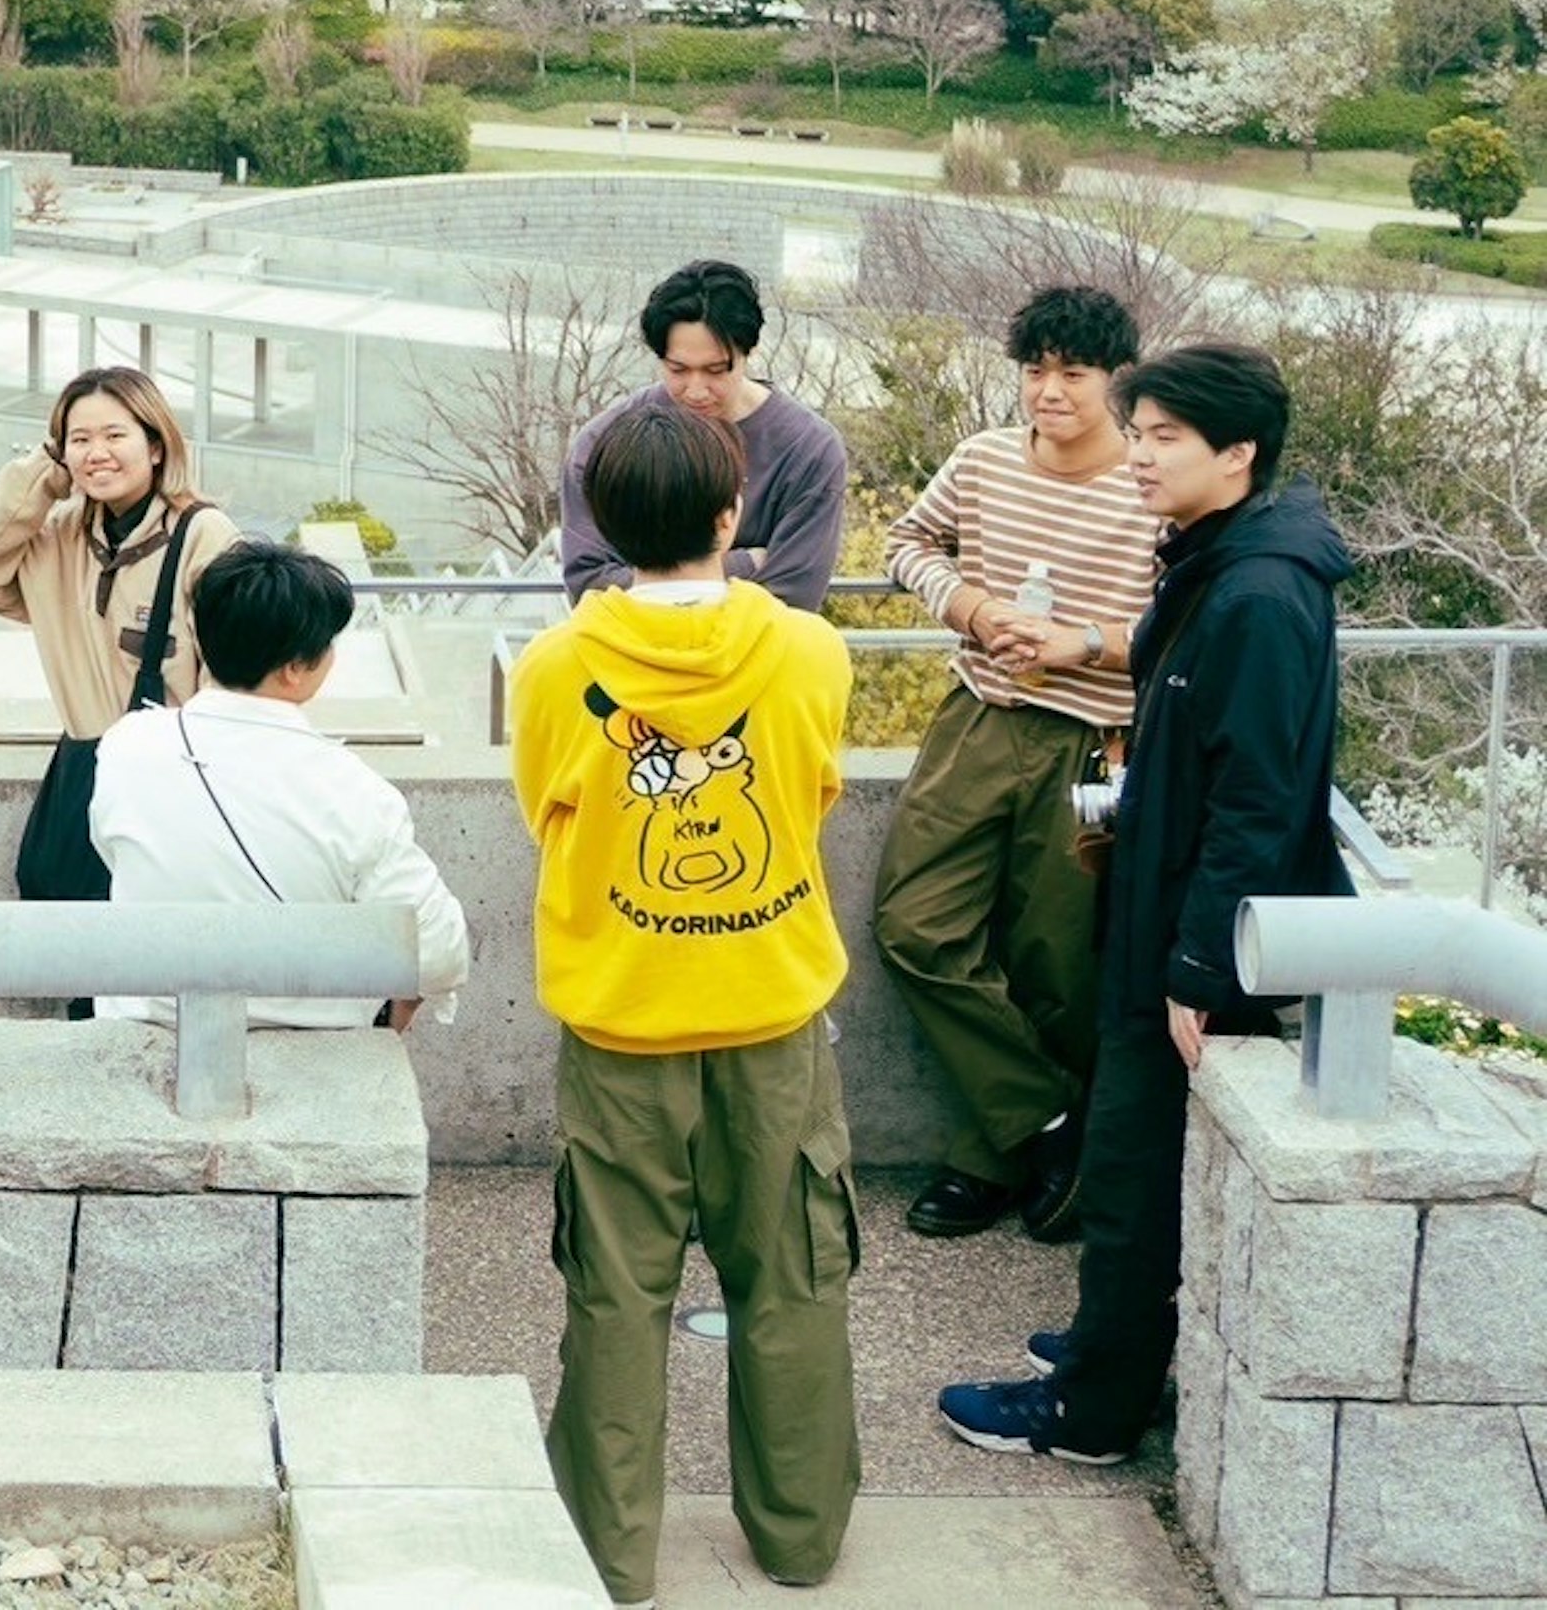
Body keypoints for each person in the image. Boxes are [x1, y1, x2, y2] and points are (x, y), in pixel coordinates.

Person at [942, 342, 1350, 1468]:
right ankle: (1108, 1346)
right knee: (1134, 1165)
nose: (1142, 456)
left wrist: (1200, 970)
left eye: (1167, 437)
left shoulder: (1260, 593)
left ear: (1238, 451)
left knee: (1128, 1175)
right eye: (1146, 431)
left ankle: (1093, 1410)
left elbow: (1258, 800)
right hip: (1159, 915)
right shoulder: (1220, 556)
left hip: (1185, 943)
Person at [514, 401, 858, 1607]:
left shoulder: (556, 666)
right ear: (733, 515)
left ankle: (612, 1559)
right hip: (771, 1016)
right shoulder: (810, 651)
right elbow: (812, 797)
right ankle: (801, 1538)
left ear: (601, 521)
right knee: (795, 1283)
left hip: (620, 1026)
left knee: (616, 1299)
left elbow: (548, 819)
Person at [877, 284, 1156, 1243]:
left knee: (1057, 961)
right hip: (979, 717)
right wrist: (970, 608)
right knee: (914, 924)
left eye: (1073, 374)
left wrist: (1082, 641)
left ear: (1114, 379)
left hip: (1094, 744)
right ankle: (1049, 1119)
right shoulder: (983, 460)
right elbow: (906, 542)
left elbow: (1176, 629)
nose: (1050, 393)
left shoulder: (1150, 486)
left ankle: (987, 1160)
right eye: (1036, 371)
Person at [87, 539, 469, 1031]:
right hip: (307, 1051)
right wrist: (393, 1022)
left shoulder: (126, 747)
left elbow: (115, 853)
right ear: (294, 668)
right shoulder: (355, 792)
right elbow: (437, 950)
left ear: (202, 641)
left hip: (151, 1033)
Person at [0, 365, 243, 930]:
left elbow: (230, 676)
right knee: (67, 927)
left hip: (177, 776)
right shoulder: (60, 533)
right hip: (84, 763)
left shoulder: (204, 536)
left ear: (156, 445)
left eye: (116, 435)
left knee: (154, 945)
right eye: (79, 440)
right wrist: (44, 472)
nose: (97, 454)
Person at [561, 259, 851, 612]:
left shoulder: (808, 449)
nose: (696, 391)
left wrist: (650, 581)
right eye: (678, 370)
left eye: (716, 370)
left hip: (753, 664)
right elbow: (589, 585)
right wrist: (746, 563)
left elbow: (793, 596)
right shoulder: (605, 442)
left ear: (748, 352)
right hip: (630, 660)